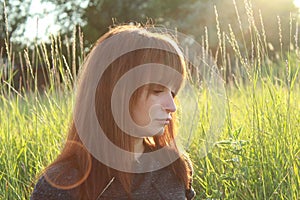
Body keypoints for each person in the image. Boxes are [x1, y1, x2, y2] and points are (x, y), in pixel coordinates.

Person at [31, 24, 196, 200]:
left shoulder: (174, 167)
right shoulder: (61, 185)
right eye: (157, 91)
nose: (172, 106)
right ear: (116, 93)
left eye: (173, 93)